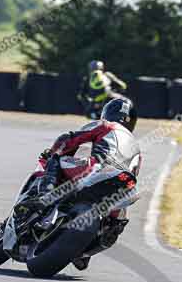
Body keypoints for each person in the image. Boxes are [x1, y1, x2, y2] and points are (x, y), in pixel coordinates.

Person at [16, 98, 141, 269]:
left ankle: (44, 196)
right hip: (122, 184)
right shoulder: (137, 148)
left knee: (56, 159)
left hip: (97, 169)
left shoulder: (106, 125)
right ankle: (87, 249)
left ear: (107, 113)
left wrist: (53, 152)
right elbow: (133, 173)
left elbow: (71, 139)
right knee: (117, 221)